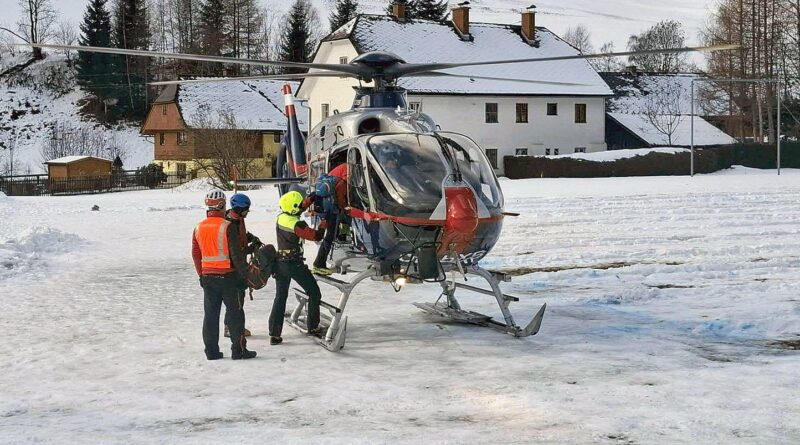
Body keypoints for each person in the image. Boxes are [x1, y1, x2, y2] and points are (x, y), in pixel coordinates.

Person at [192, 190, 257, 360]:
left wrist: (201, 274)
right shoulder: (227, 226)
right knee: (235, 315)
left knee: (211, 316)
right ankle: (239, 350)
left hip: (208, 278)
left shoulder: (198, 227)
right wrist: (245, 277)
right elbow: (236, 255)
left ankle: (212, 352)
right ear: (222, 206)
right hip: (229, 278)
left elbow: (196, 254)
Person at [269, 190, 326, 345]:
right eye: (300, 204)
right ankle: (313, 327)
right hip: (294, 264)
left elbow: (296, 208)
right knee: (314, 292)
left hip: (280, 262)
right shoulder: (297, 224)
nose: (303, 206)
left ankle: (274, 334)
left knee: (280, 297)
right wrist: (323, 225)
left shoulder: (282, 217)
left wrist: (311, 198)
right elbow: (316, 236)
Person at [222, 193, 260, 339]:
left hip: (239, 263)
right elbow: (236, 251)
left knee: (238, 298)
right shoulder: (230, 223)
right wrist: (251, 249)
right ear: (238, 209)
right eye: (246, 209)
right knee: (236, 299)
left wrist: (251, 238)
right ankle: (232, 327)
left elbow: (243, 233)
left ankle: (232, 326)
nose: (247, 212)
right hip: (234, 266)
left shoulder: (238, 219)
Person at [312, 163, 349, 275]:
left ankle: (319, 263)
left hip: (324, 210)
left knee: (329, 236)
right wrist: (344, 208)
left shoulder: (333, 179)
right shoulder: (342, 182)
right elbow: (341, 199)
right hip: (331, 212)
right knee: (329, 237)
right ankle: (319, 264)